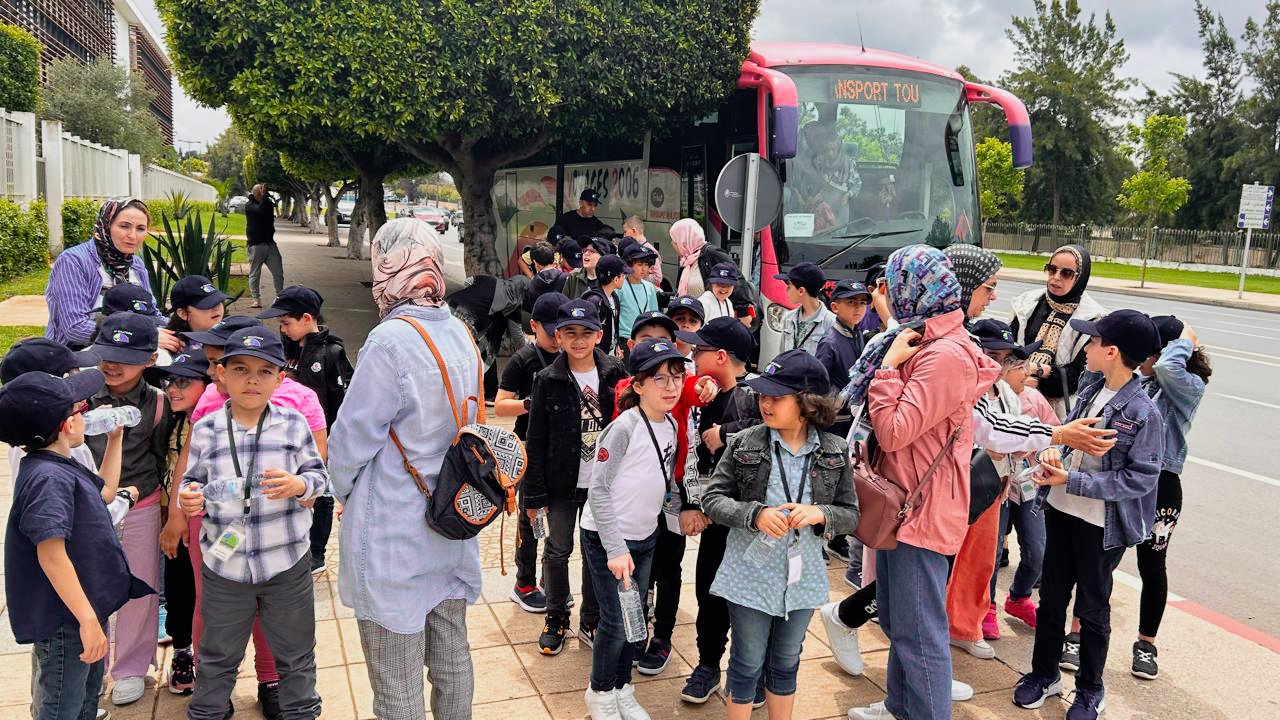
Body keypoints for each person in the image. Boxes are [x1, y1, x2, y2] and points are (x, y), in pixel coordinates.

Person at [326, 218, 483, 719]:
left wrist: (341, 492)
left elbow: (351, 440)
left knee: (397, 682)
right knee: (452, 658)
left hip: (395, 527)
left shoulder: (389, 341)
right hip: (452, 519)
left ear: (386, 269)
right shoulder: (460, 331)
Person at [845, 245, 1000, 720]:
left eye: (893, 285)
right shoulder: (923, 336)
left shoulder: (944, 354)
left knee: (920, 634)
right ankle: (899, 706)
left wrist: (887, 370)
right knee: (898, 620)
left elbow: (895, 432)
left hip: (921, 510)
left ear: (915, 288)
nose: (888, 294)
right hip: (904, 503)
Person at [1013, 310, 1164, 720]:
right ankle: (1044, 674)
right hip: (1061, 510)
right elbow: (1068, 440)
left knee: (1092, 608)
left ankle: (1090, 689)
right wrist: (1053, 454)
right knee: (1052, 599)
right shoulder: (1090, 387)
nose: (1086, 349)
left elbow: (1140, 479)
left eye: (1093, 342)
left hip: (1100, 525)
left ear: (1112, 352)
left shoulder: (1144, 413)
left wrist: (1072, 480)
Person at [178, 327, 328, 720]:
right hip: (224, 566)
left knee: (296, 654)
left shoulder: (294, 424)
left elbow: (319, 477)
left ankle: (301, 712)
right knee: (216, 655)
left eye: (264, 371)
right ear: (221, 374)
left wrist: (299, 485)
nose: (252, 380)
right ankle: (208, 712)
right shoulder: (207, 428)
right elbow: (192, 481)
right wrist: (188, 497)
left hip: (286, 563)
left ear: (280, 379)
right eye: (241, 369)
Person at [701, 349, 858, 720]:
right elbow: (712, 498)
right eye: (763, 395)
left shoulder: (835, 450)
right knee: (746, 660)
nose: (765, 403)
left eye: (777, 396)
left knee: (787, 660)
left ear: (807, 402)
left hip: (802, 580)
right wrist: (754, 515)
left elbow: (851, 515)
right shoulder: (745, 443)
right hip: (749, 576)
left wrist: (820, 513)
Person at [1, 369, 152, 720]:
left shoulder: (56, 463)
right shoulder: (47, 479)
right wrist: (86, 621)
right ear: (68, 425)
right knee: (61, 707)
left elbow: (105, 493)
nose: (87, 414)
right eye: (80, 409)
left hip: (84, 607)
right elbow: (51, 555)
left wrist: (115, 440)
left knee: (86, 699)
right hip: (66, 620)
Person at [580, 338, 694, 720]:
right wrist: (615, 548)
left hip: (645, 538)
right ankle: (600, 693)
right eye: (659, 378)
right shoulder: (624, 427)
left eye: (676, 377)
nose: (671, 386)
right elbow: (598, 489)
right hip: (608, 539)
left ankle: (621, 687)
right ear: (638, 384)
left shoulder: (672, 424)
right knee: (615, 621)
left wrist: (683, 515)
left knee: (634, 620)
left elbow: (666, 482)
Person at [614, 312, 718, 677]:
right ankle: (636, 630)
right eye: (648, 341)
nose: (656, 348)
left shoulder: (678, 384)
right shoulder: (628, 387)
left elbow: (693, 389)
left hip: (672, 492)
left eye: (664, 341)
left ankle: (662, 637)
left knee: (669, 568)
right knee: (636, 565)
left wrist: (705, 384)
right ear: (633, 346)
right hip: (638, 492)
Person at [522, 299, 628, 655]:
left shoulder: (615, 372)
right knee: (557, 550)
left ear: (599, 335)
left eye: (586, 332)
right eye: (570, 333)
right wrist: (534, 497)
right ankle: (556, 616)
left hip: (603, 484)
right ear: (559, 336)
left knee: (594, 551)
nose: (578, 340)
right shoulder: (546, 379)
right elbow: (536, 439)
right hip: (561, 484)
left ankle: (591, 618)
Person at [85, 312, 173, 707]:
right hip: (88, 509)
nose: (113, 365)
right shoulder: (80, 396)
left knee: (141, 585)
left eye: (126, 357)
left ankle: (132, 667)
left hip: (142, 504)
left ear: (150, 360)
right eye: (107, 354)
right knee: (89, 587)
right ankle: (93, 665)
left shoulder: (158, 403)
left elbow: (160, 455)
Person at [675, 317, 761, 704]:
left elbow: (774, 430)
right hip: (714, 518)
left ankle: (749, 673)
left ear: (722, 356)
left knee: (745, 601)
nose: (694, 356)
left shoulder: (755, 394)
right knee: (708, 593)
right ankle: (708, 665)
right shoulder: (707, 398)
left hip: (749, 521)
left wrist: (726, 434)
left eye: (700, 350)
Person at [1129, 316, 1209, 680]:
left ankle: (1146, 644)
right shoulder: (1140, 381)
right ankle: (1078, 634)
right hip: (1127, 478)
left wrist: (1185, 340)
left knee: (1152, 565)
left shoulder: (1187, 386)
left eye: (1147, 352)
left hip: (1162, 484)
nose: (1141, 359)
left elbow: (1167, 367)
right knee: (1098, 557)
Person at [258, 285, 354, 573]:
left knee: (320, 492)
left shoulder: (331, 352)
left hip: (319, 437)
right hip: (285, 439)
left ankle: (316, 553)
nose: (283, 329)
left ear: (307, 318)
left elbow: (342, 401)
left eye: (286, 323)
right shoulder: (284, 350)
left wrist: (335, 439)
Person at [495, 291, 570, 613]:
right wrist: (530, 403)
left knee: (560, 520)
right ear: (534, 325)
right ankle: (523, 583)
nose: (556, 339)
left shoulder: (571, 356)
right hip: (529, 449)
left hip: (563, 450)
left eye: (561, 332)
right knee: (531, 517)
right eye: (550, 332)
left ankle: (550, 580)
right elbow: (500, 405)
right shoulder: (522, 359)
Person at [45, 197, 179, 352]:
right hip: (75, 353)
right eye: (124, 226)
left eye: (141, 228)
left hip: (128, 351)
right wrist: (142, 336)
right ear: (106, 225)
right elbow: (75, 328)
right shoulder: (74, 260)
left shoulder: (136, 264)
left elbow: (151, 312)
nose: (133, 236)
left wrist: (182, 328)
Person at [153, 348, 212, 696]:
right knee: (178, 588)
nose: (173, 389)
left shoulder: (214, 423)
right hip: (172, 523)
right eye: (170, 382)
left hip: (203, 523)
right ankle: (182, 651)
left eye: (183, 382)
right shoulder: (170, 421)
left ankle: (211, 655)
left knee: (207, 593)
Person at [1010, 245, 1107, 417]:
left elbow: (1077, 377)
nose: (1056, 277)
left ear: (1080, 277)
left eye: (1066, 273)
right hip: (1014, 398)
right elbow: (1008, 350)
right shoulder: (1026, 303)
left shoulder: (1093, 318)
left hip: (1058, 411)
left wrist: (1032, 374)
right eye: (1052, 269)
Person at [815, 279, 871, 438]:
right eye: (851, 302)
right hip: (835, 419)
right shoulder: (829, 342)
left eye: (862, 302)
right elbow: (818, 382)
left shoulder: (857, 333)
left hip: (854, 414)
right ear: (835, 307)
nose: (858, 307)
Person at [775, 262, 835, 355]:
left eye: (789, 287)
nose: (786, 290)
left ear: (801, 291)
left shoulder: (831, 323)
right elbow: (782, 356)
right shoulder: (789, 318)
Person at [245, 183, 284, 309]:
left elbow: (268, 209)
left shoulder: (267, 203)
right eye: (260, 192)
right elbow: (260, 211)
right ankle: (256, 299)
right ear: (256, 194)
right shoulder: (249, 205)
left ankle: (280, 298)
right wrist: (264, 197)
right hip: (256, 244)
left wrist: (265, 197)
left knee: (278, 272)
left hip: (270, 243)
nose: (263, 194)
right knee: (255, 273)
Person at [581, 255, 628, 357]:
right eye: (623, 275)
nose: (625, 278)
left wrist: (616, 345)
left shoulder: (614, 297)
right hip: (597, 356)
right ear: (616, 279)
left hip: (609, 355)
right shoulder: (595, 301)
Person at [616, 244, 661, 347]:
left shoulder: (649, 287)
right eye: (639, 264)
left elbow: (654, 313)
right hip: (625, 339)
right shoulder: (620, 286)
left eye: (646, 264)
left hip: (646, 339)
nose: (644, 269)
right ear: (629, 265)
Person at [622, 215, 664, 287]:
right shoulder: (631, 247)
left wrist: (636, 276)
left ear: (634, 231)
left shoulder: (650, 250)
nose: (624, 236)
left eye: (625, 232)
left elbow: (657, 278)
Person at [671, 218, 709, 298]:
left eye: (675, 240)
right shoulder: (686, 262)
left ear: (684, 242)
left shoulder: (710, 254)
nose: (672, 244)